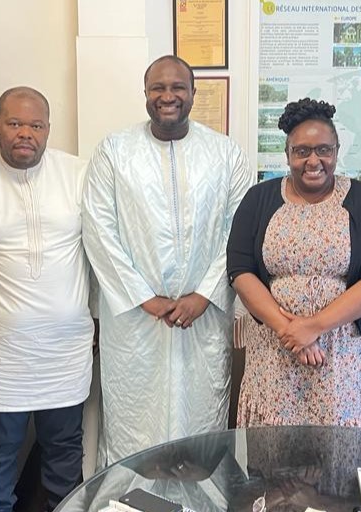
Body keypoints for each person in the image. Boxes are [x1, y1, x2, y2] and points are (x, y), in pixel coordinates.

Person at [82, 55, 251, 465]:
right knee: (133, 423)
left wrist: (205, 295)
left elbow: (239, 229)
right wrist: (145, 298)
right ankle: (129, 500)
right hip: (135, 322)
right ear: (145, 94)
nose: (168, 96)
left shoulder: (226, 154)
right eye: (158, 88)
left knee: (201, 420)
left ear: (193, 93)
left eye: (177, 87)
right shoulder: (114, 152)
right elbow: (99, 229)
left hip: (203, 318)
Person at [0, 86, 91, 512]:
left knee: (64, 456)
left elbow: (101, 252)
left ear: (48, 129)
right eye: (14, 123)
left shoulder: (77, 173)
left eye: (36, 125)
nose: (25, 133)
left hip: (66, 353)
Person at [226, 97, 361, 429]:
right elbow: (240, 270)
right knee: (277, 457)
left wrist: (313, 327)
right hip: (276, 351)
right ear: (287, 154)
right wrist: (290, 330)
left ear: (336, 150)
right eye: (302, 151)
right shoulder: (258, 199)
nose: (313, 160)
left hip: (350, 355)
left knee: (347, 451)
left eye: (323, 150)